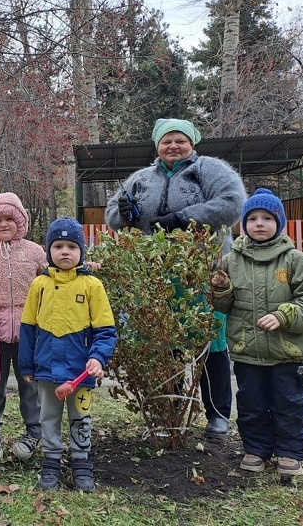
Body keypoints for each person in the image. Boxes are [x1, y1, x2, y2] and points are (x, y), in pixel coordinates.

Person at [105, 118, 247, 441]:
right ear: (157, 145)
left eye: (180, 140)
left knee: (210, 341)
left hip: (202, 273)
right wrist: (124, 214)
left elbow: (232, 203)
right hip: (155, 277)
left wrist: (183, 218)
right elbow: (112, 214)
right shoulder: (141, 179)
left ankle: (217, 416)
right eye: (166, 140)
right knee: (164, 343)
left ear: (192, 143)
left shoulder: (209, 170)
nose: (173, 146)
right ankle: (168, 412)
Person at [211, 189, 303, 477]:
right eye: (252, 218)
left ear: (279, 222)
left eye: (267, 217)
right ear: (243, 224)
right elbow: (223, 306)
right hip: (248, 352)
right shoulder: (231, 261)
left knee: (288, 403)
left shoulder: (295, 260)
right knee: (251, 403)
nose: (259, 223)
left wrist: (284, 315)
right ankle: (256, 450)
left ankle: (290, 453)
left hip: (286, 353)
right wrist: (220, 289)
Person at [19, 217, 118, 491]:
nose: (65, 252)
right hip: (47, 371)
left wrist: (98, 357)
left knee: (80, 417)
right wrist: (27, 366)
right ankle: (51, 461)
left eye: (72, 247)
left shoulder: (92, 286)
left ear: (81, 252)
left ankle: (81, 462)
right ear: (49, 250)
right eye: (58, 246)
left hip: (81, 373)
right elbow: (27, 328)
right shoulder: (38, 285)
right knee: (48, 417)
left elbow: (106, 330)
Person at [0, 192, 46, 462]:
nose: (4, 224)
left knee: (31, 386)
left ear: (20, 221)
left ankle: (33, 432)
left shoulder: (34, 251)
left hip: (31, 331)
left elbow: (50, 281)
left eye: (9, 219)